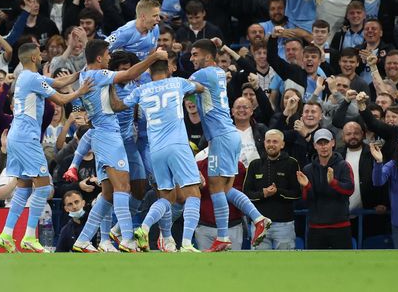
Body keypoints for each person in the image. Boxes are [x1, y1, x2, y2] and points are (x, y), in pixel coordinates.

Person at [71, 40, 167, 253]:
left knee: (107, 194)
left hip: (102, 135)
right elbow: (128, 75)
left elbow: (114, 104)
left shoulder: (87, 75)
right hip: (108, 136)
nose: (109, 59)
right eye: (106, 56)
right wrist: (153, 57)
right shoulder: (96, 75)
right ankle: (126, 239)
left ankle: (83, 240)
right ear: (98, 58)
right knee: (123, 188)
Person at [0, 43, 91, 253]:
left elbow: (57, 82)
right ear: (33, 58)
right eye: (40, 54)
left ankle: (6, 234)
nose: (42, 57)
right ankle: (30, 236)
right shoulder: (33, 78)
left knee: (24, 186)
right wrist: (80, 91)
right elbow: (62, 98)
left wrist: (79, 74)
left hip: (16, 136)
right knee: (44, 185)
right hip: (27, 138)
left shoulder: (25, 77)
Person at [112, 58, 204, 252]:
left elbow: (118, 106)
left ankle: (144, 227)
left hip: (155, 150)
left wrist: (110, 85)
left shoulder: (141, 90)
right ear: (169, 68)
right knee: (193, 193)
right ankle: (187, 243)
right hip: (178, 145)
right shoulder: (178, 82)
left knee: (166, 197)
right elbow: (200, 88)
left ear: (149, 72)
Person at [189, 39, 271, 252]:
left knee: (216, 187)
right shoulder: (217, 72)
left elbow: (180, 88)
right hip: (227, 135)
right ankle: (258, 218)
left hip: (221, 137)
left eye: (195, 54)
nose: (191, 58)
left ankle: (223, 237)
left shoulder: (203, 74)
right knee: (226, 189)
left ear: (207, 57)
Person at [297, 128, 355, 249]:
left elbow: (349, 190)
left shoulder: (343, 165)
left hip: (340, 226)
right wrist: (307, 186)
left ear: (333, 143)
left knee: (344, 265)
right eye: (320, 143)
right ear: (314, 146)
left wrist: (333, 183)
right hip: (316, 227)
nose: (323, 147)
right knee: (315, 266)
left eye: (326, 143)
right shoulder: (308, 169)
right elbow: (307, 200)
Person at [243, 129, 301, 250]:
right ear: (264, 143)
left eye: (275, 141)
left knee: (286, 263)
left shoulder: (291, 163)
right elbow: (246, 193)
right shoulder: (255, 164)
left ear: (282, 144)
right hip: (260, 223)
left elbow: (297, 193)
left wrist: (277, 192)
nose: (271, 144)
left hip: (284, 224)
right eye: (268, 141)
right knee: (259, 264)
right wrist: (262, 194)